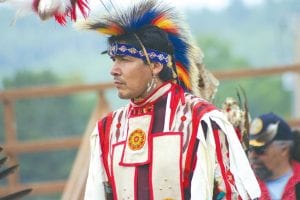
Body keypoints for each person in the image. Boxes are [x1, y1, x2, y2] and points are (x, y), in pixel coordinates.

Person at [82, 0, 261, 199]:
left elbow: (228, 193)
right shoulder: (107, 130)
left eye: (125, 60)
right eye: (113, 60)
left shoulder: (201, 121)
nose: (114, 70)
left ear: (156, 66)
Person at [248, 112, 300, 200]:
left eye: (260, 149)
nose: (253, 155)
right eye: (250, 149)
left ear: (284, 149)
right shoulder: (244, 185)